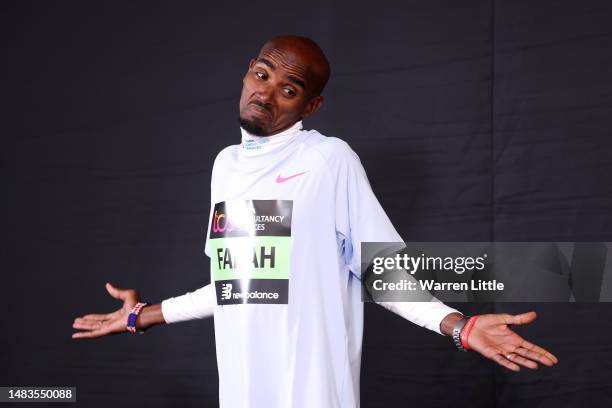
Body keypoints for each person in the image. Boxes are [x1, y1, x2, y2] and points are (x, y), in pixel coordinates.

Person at [72, 35, 558, 408]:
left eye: (289, 89)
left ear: (310, 106)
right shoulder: (225, 165)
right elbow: (242, 285)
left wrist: (459, 326)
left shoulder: (328, 160)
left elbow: (382, 275)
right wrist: (142, 316)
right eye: (262, 75)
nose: (267, 93)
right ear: (247, 73)